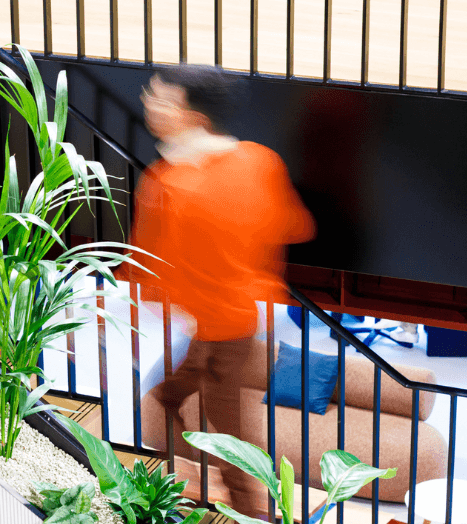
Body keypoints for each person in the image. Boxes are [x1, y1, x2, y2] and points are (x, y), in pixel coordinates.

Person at [130, 64, 316, 517]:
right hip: (227, 323)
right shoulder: (260, 160)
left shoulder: (166, 181)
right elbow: (295, 226)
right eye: (150, 93)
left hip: (221, 332)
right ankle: (194, 483)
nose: (148, 103)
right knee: (165, 397)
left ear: (194, 116)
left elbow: (151, 273)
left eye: (162, 99)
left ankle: (253, 511)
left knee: (236, 447)